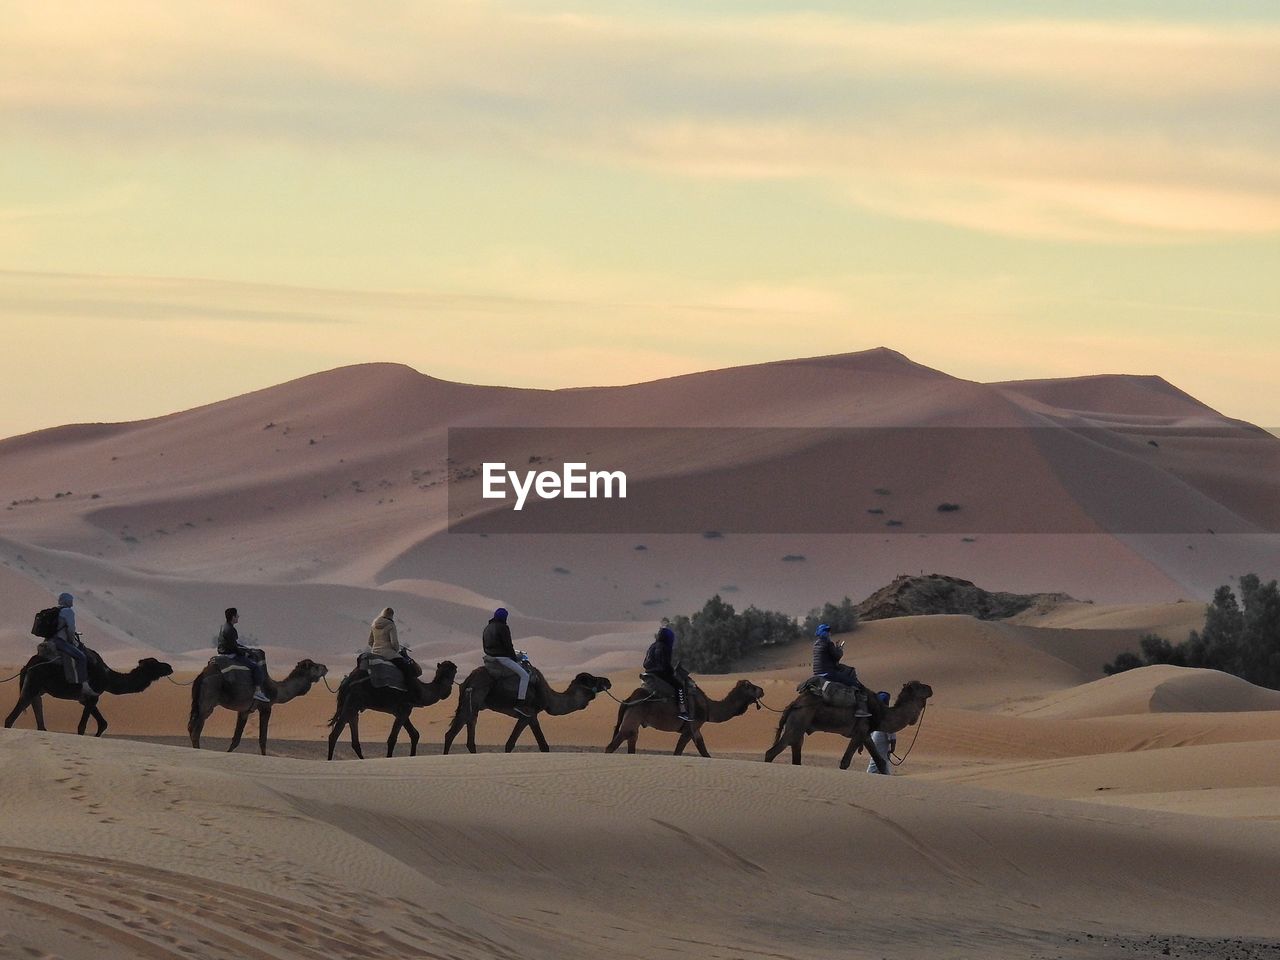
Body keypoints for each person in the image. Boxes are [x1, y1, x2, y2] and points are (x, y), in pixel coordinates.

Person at [812, 622, 870, 717]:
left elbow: (826, 657)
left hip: (817, 672)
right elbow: (837, 656)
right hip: (828, 673)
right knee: (854, 683)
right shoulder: (828, 643)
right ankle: (860, 709)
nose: (829, 633)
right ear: (825, 633)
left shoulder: (816, 644)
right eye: (827, 631)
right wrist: (840, 649)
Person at [482, 608, 530, 711]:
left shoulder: (487, 628)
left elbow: (484, 645)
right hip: (503, 658)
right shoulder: (503, 628)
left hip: (489, 658)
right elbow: (508, 646)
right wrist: (514, 658)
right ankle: (520, 703)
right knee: (525, 675)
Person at [217, 608, 269, 703]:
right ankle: (257, 691)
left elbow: (233, 644)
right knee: (255, 667)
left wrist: (247, 649)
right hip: (230, 654)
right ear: (233, 617)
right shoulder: (231, 629)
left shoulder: (223, 626)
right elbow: (234, 647)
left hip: (223, 652)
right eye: (237, 615)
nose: (238, 616)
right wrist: (244, 653)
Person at [643, 626, 690, 722]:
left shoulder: (652, 646)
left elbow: (645, 662)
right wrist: (672, 671)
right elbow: (665, 664)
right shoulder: (664, 647)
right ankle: (682, 711)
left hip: (648, 673)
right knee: (679, 686)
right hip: (659, 673)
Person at [52, 593, 94, 698]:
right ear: (66, 601)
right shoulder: (68, 611)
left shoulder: (55, 610)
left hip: (51, 640)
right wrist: (71, 641)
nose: (72, 602)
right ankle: (84, 686)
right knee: (81, 657)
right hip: (61, 642)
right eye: (70, 600)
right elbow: (71, 629)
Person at [367, 607, 413, 679]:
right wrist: (396, 651)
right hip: (389, 654)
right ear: (391, 615)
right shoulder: (391, 625)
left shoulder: (374, 625)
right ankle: (411, 688)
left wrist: (377, 648)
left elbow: (370, 642)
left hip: (375, 654)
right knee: (407, 668)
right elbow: (394, 643)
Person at [867, 691, 896, 774]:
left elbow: (891, 734)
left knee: (878, 766)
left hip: (879, 747)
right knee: (880, 766)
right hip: (877, 748)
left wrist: (892, 747)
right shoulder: (881, 716)